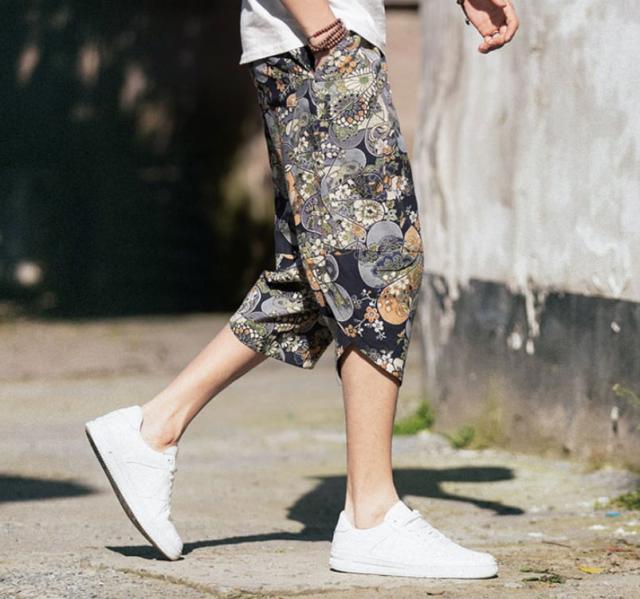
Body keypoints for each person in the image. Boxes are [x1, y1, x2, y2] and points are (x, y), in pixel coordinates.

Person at [85, 0, 519, 579]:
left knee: (318, 278)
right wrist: (321, 24)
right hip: (319, 42)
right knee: (379, 263)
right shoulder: (324, 36)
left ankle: (154, 428)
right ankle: (372, 515)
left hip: (314, 44)